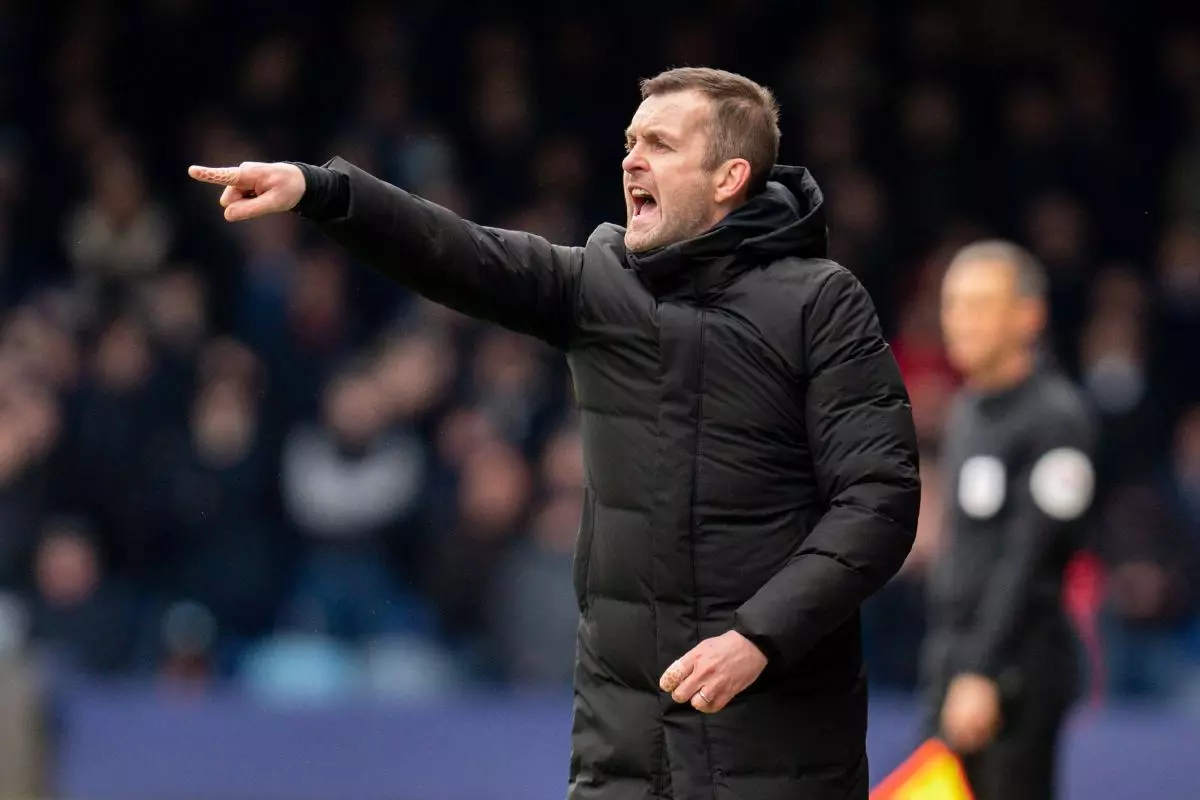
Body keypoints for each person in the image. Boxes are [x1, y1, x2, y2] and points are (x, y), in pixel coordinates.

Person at [190, 67, 921, 800]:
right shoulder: (600, 283)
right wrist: (324, 192)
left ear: (730, 176)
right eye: (631, 142)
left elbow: (879, 503)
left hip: (777, 745)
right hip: (624, 747)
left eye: (659, 145)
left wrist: (758, 638)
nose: (631, 159)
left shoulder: (820, 302)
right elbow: (458, 251)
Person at [922, 240, 1097, 800]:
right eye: (953, 304)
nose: (960, 321)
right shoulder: (969, 407)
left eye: (978, 304)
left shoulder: (1057, 418)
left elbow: (1033, 560)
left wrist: (983, 673)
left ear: (1029, 315)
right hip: (954, 660)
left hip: (1015, 671)